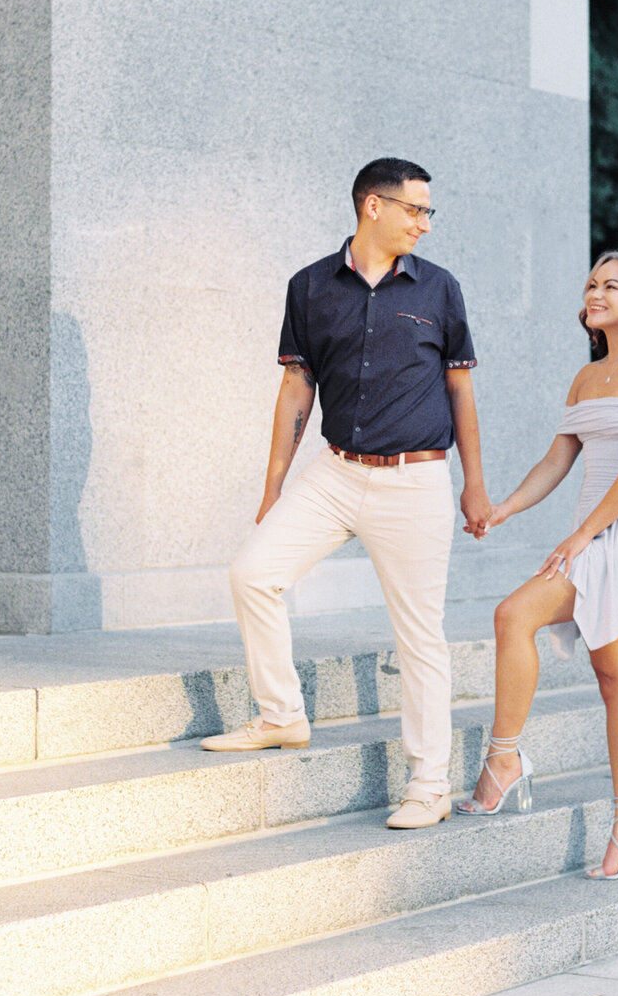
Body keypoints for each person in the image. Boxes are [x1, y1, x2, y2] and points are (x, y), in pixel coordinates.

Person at [202, 158, 492, 829]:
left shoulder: (440, 289)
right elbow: (296, 388)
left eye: (428, 212)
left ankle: (429, 785)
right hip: (334, 473)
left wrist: (474, 484)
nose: (424, 222)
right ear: (372, 207)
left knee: (421, 636)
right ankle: (281, 714)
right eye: (415, 209)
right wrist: (273, 486)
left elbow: (461, 390)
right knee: (252, 573)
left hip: (416, 479)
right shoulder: (309, 288)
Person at [457, 249, 618, 882]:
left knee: (581, 656)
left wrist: (583, 535)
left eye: (612, 284)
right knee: (567, 650)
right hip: (589, 537)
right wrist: (504, 508)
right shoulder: (586, 379)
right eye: (591, 283)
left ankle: (609, 810)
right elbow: (557, 462)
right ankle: (534, 774)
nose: (595, 292)